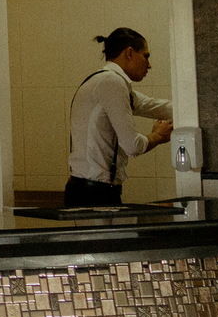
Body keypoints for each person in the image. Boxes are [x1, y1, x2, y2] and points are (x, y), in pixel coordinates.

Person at [64, 28, 172, 207]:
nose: (149, 65)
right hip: (94, 193)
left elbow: (152, 105)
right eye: (146, 56)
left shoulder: (105, 81)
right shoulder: (111, 83)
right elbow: (132, 146)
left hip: (87, 189)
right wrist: (158, 136)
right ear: (129, 53)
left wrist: (192, 109)